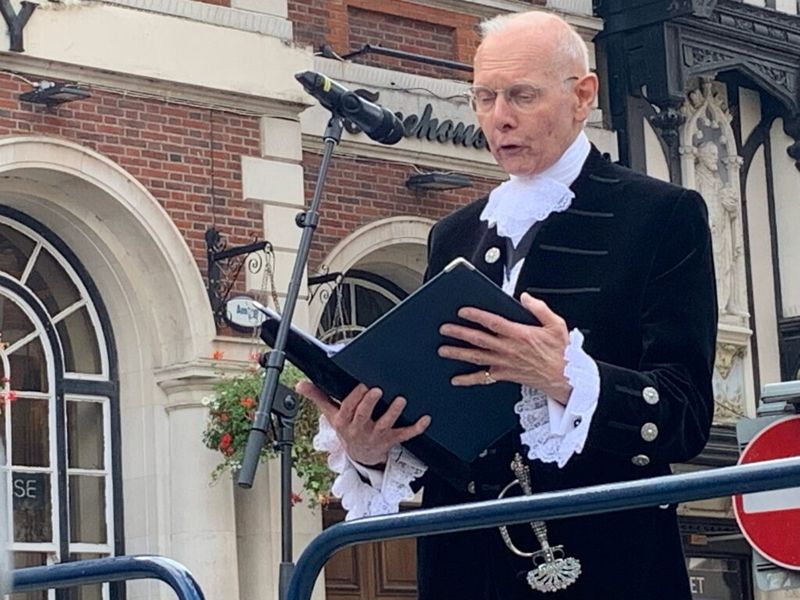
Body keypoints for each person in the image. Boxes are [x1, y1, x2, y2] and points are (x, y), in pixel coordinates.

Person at [299, 10, 717, 600]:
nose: (500, 117)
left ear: (583, 96)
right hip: (465, 564)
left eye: (522, 95)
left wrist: (566, 377)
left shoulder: (660, 215)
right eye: (484, 97)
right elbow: (447, 418)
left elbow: (686, 414)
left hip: (607, 557)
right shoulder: (455, 234)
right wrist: (374, 447)